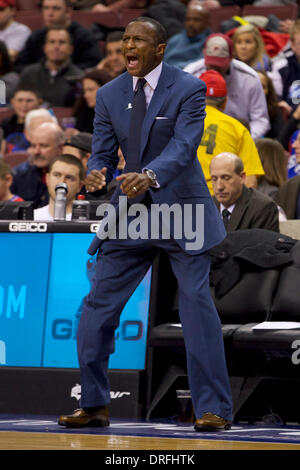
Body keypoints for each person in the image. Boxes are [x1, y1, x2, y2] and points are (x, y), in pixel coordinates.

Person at [58, 17, 232, 432]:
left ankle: (215, 409)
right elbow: (101, 152)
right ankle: (95, 403)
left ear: (160, 48)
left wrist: (150, 175)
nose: (128, 46)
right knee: (96, 309)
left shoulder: (188, 88)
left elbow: (184, 146)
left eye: (138, 40)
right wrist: (97, 172)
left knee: (196, 309)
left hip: (182, 212)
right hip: (132, 213)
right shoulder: (108, 94)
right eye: (125, 39)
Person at [184, 33, 270, 139]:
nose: (215, 69)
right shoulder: (189, 75)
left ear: (231, 57)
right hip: (198, 136)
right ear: (204, 54)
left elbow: (260, 120)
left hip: (238, 135)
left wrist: (243, 139)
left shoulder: (250, 78)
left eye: (219, 65)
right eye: (211, 64)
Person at [197, 69, 264, 194]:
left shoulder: (178, 123)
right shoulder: (237, 128)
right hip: (219, 203)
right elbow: (250, 182)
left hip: (180, 203)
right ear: (225, 102)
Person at [14, 0, 102, 72]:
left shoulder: (84, 36)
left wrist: (61, 71)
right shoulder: (36, 36)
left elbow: (93, 64)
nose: (50, 13)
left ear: (68, 12)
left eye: (56, 8)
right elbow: (20, 65)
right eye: (46, 8)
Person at [210, 152, 279, 232]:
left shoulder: (262, 208)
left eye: (226, 178)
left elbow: (263, 244)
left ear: (242, 177)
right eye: (214, 179)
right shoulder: (205, 206)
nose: (219, 187)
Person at [18, 26, 82, 107]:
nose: (56, 46)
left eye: (62, 42)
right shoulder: (29, 73)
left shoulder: (78, 76)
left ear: (71, 49)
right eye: (52, 42)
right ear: (45, 48)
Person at [11, 121, 65, 207]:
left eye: (43, 146)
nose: (36, 151)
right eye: (33, 146)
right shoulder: (17, 175)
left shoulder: (70, 176)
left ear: (60, 148)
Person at [34, 153, 84, 220]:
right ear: (47, 179)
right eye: (57, 175)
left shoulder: (86, 221)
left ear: (80, 186)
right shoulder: (33, 218)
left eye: (69, 177)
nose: (62, 182)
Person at [163, 3, 211, 69]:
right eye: (188, 19)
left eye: (197, 20)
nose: (191, 23)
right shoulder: (175, 39)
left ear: (207, 23)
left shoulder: (210, 42)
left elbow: (199, 65)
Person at [0, 87, 42, 155]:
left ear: (39, 102)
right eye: (20, 100)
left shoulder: (43, 126)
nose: (24, 105)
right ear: (12, 102)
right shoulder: (5, 124)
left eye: (29, 101)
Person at [73, 69, 112, 134]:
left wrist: (80, 137)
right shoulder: (83, 112)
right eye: (84, 91)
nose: (85, 95)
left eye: (90, 90)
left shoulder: (115, 115)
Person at [256, 70, 286, 139]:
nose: (258, 90)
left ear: (268, 90)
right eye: (255, 86)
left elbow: (281, 141)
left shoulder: (275, 109)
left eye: (263, 87)